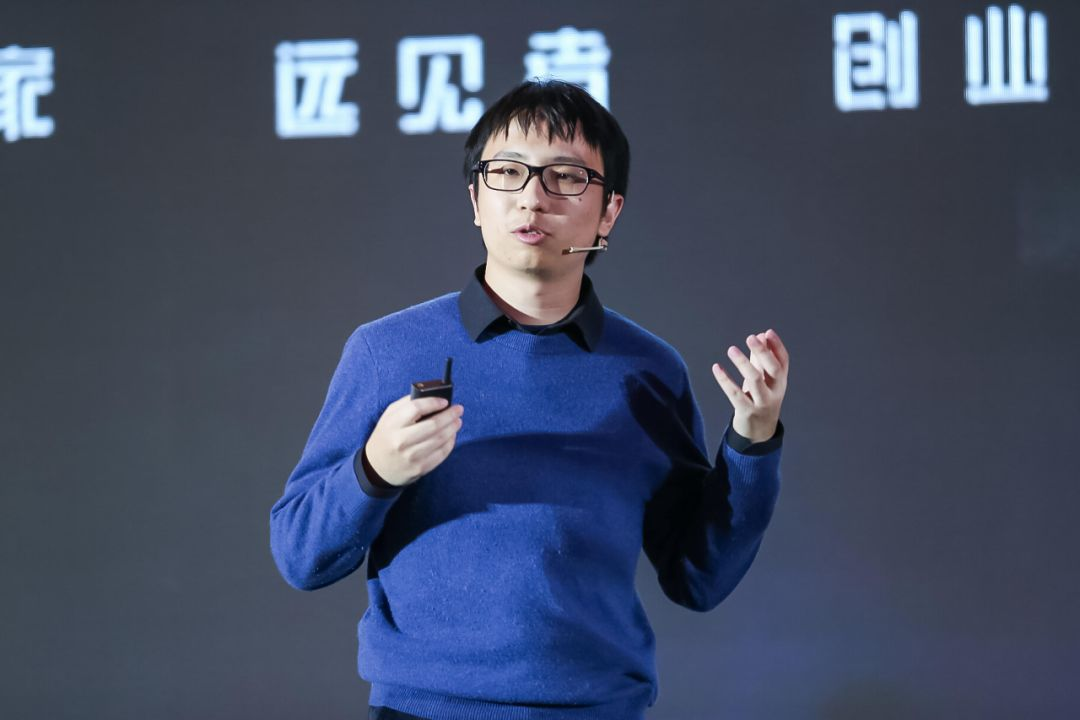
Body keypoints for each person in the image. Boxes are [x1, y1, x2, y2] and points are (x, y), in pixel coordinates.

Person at [270, 79, 789, 720]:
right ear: (476, 199)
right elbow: (301, 556)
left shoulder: (648, 371)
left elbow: (699, 577)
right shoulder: (388, 351)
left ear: (609, 212)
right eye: (508, 172)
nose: (532, 198)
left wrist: (753, 442)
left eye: (566, 177)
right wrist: (374, 470)